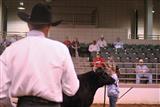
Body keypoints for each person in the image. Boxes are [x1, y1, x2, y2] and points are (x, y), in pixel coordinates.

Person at [0, 3, 79, 107]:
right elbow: (71, 89)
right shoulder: (61, 49)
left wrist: (11, 105)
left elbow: (1, 92)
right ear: (49, 26)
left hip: (24, 104)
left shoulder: (11, 50)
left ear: (28, 24)